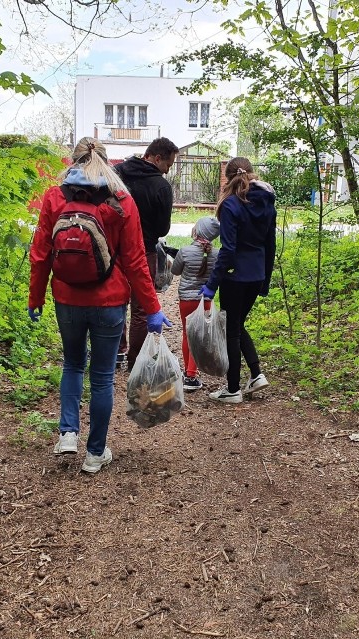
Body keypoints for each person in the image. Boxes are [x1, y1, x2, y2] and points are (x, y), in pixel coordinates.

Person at [28, 137, 171, 473]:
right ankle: (95, 453)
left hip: (67, 298)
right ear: (106, 163)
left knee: (73, 364)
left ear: (72, 160)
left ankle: (67, 433)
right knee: (104, 377)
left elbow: (40, 254)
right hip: (109, 302)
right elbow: (136, 261)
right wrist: (152, 309)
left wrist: (35, 298)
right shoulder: (121, 200)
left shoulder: (54, 197)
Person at [200, 157, 276, 404]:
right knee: (237, 324)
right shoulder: (268, 203)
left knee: (231, 330)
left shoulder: (231, 205)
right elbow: (270, 245)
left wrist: (211, 285)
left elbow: (228, 250)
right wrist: (265, 279)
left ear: (228, 176)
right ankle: (255, 374)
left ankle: (232, 389)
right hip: (256, 274)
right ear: (252, 173)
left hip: (235, 277)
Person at [115, 137, 179, 370]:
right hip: (145, 250)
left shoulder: (117, 173)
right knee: (141, 307)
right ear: (157, 158)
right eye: (168, 165)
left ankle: (116, 353)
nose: (168, 170)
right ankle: (136, 361)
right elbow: (163, 229)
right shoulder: (161, 187)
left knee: (116, 301)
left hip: (115, 250)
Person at [170, 216, 220, 391]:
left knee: (187, 334)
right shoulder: (217, 254)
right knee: (199, 337)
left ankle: (189, 374)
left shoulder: (184, 251)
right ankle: (192, 374)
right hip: (205, 301)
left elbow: (175, 271)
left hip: (187, 300)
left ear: (197, 231)